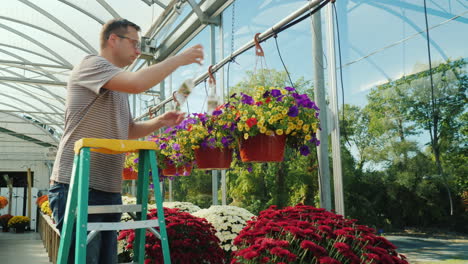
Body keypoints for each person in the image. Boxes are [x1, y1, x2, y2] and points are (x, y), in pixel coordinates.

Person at [48, 18, 204, 263]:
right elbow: (138, 83)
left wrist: (160, 122)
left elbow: (128, 130)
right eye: (134, 43)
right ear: (113, 39)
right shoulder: (92, 65)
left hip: (108, 189)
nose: (138, 51)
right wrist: (179, 59)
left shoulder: (118, 85)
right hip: (77, 185)